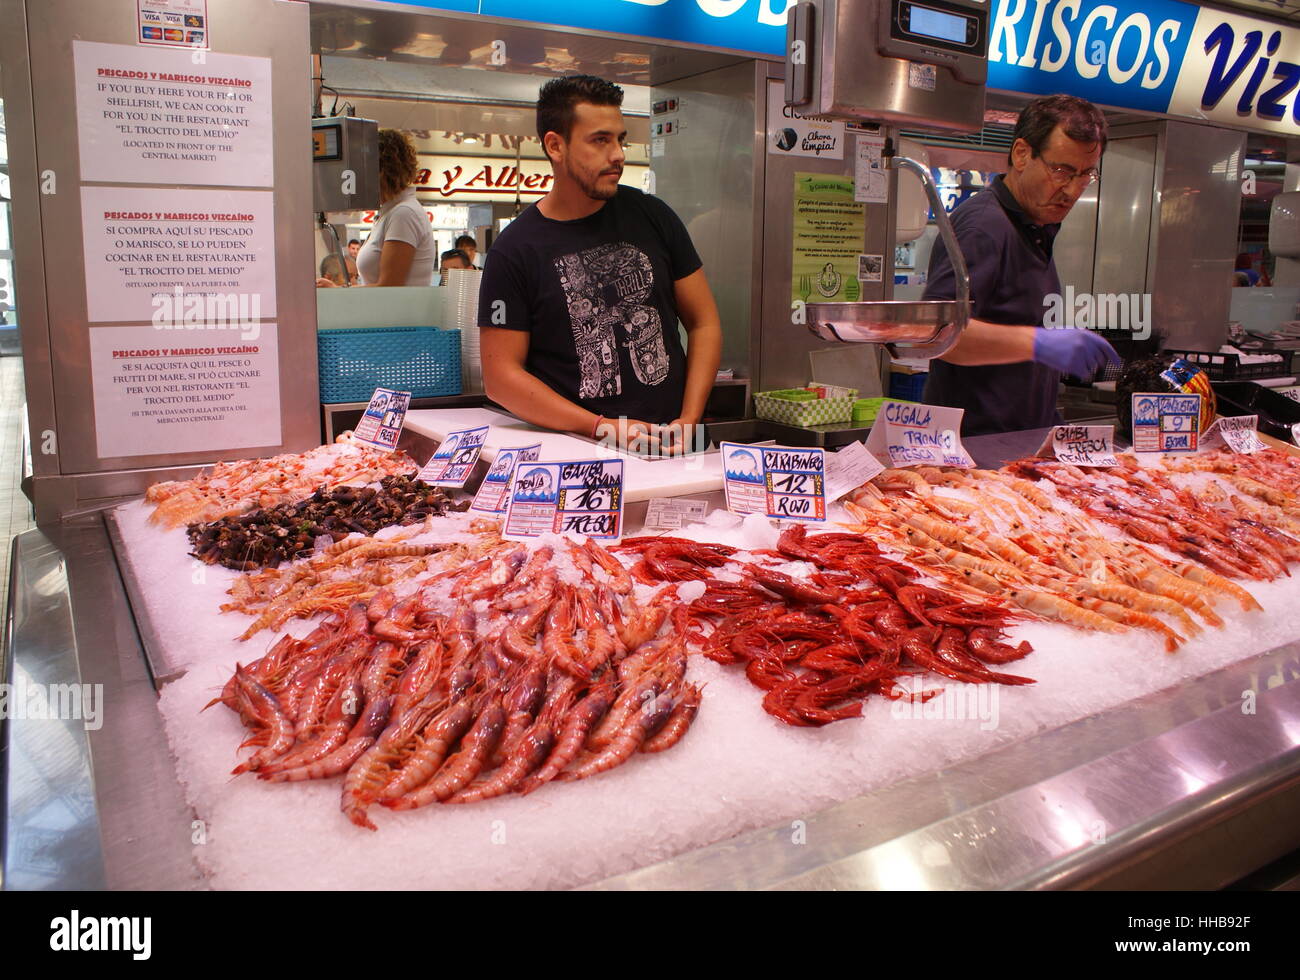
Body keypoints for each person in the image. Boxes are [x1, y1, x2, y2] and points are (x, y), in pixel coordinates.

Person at [479, 75, 722, 454]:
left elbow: (704, 321)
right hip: (576, 451)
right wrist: (600, 427)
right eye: (600, 140)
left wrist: (690, 419)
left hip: (675, 444)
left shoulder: (653, 215)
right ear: (555, 146)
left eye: (620, 139)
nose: (619, 154)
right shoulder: (515, 249)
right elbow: (500, 376)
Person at [922, 94, 1120, 436]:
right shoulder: (984, 226)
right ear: (1021, 154)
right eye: (1062, 171)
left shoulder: (1035, 227)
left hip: (1017, 444)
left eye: (1086, 174)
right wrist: (1038, 343)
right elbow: (936, 333)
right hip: (971, 453)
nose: (1073, 190)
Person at [317, 129, 435, 287]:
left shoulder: (403, 214)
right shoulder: (392, 212)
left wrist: (337, 290)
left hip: (397, 312)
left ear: (379, 171)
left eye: (360, 170)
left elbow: (389, 286)